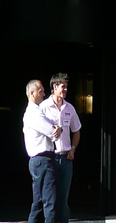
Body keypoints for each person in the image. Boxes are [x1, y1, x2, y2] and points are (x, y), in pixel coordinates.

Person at [40, 74, 81, 223]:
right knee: (49, 198)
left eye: (66, 86)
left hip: (65, 158)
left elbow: (76, 131)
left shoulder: (69, 108)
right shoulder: (43, 107)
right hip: (49, 157)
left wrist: (73, 148)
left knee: (63, 199)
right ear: (54, 87)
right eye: (62, 86)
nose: (65, 89)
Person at [23, 79, 61, 223]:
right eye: (41, 91)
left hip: (38, 161)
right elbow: (52, 132)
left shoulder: (31, 112)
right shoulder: (35, 113)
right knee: (49, 201)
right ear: (32, 93)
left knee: (39, 201)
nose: (44, 94)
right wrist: (58, 128)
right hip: (43, 159)